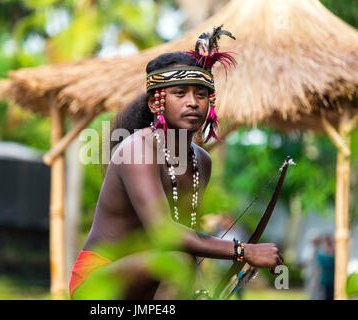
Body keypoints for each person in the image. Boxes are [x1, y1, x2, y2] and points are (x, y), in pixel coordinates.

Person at [69, 26, 284, 300]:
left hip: (154, 278)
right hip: (99, 284)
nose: (192, 103)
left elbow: (188, 238)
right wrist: (243, 250)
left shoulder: (201, 161)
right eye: (180, 93)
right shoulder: (137, 148)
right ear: (156, 102)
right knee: (173, 261)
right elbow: (166, 232)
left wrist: (198, 291)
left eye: (201, 94)